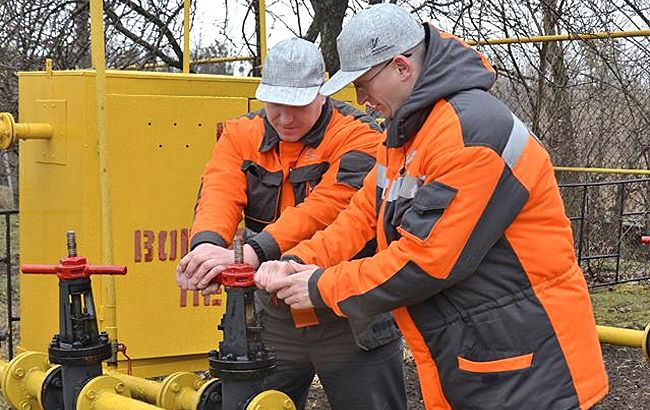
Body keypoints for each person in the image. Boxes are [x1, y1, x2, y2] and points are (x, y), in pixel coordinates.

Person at [256, 4, 609, 409]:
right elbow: (361, 216)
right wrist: (300, 260)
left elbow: (426, 260)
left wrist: (319, 287)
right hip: (483, 355)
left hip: (529, 369)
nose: (361, 100)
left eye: (364, 85)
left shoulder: (471, 131)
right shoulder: (409, 132)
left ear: (402, 68)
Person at [175, 38, 406, 410]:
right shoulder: (240, 134)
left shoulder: (360, 136)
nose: (284, 118)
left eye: (296, 106)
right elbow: (219, 190)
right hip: (273, 318)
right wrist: (205, 246)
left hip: (350, 316)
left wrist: (253, 252)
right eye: (274, 105)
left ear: (322, 92)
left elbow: (329, 208)